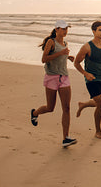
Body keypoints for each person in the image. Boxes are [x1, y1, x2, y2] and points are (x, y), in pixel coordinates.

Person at [30, 19, 77, 148]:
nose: (65, 31)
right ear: (56, 29)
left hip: (64, 77)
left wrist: (68, 56)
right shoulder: (51, 42)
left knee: (66, 108)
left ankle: (66, 138)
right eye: (63, 28)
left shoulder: (65, 42)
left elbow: (60, 55)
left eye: (67, 28)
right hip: (51, 78)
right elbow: (44, 59)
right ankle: (34, 113)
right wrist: (60, 53)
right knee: (50, 108)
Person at [74, 21, 101, 139]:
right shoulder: (87, 47)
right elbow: (76, 63)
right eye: (100, 30)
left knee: (99, 103)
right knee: (100, 102)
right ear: (93, 31)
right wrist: (85, 73)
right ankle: (98, 131)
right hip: (91, 79)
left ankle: (83, 104)